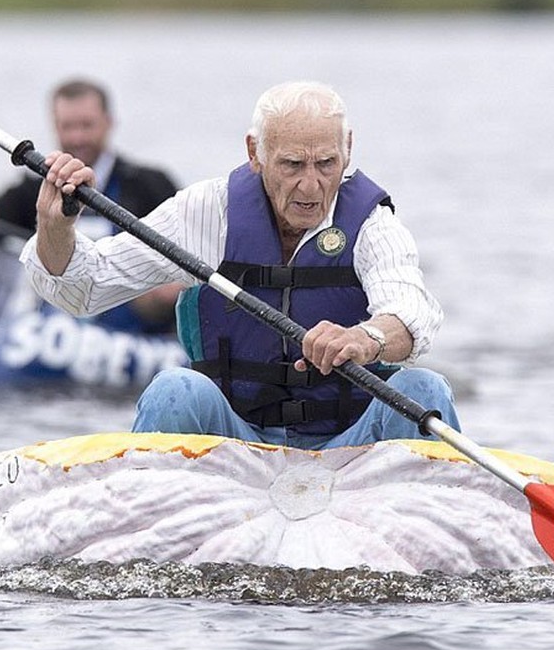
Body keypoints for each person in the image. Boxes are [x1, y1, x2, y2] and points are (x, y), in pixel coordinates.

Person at [24, 80, 460, 449]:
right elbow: (88, 286)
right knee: (176, 389)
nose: (312, 184)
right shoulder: (206, 212)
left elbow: (412, 313)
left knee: (424, 389)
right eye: (292, 164)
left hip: (349, 445)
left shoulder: (372, 223)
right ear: (256, 153)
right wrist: (55, 226)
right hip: (234, 445)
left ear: (347, 150)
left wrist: (365, 339)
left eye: (326, 163)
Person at [0, 78, 182, 334]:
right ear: (55, 125)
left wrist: (170, 289)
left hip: (136, 332)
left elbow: (186, 247)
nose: (77, 137)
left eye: (86, 125)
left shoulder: (149, 185)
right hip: (56, 333)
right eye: (68, 127)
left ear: (108, 123)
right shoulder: (35, 189)